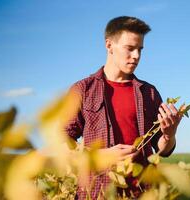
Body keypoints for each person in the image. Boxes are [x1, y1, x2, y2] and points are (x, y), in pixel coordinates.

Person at [65, 16, 182, 199]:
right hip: (98, 193)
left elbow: (163, 150)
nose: (136, 56)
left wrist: (170, 134)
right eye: (130, 48)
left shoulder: (149, 92)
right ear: (109, 45)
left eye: (140, 50)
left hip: (144, 193)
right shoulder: (82, 90)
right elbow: (63, 142)